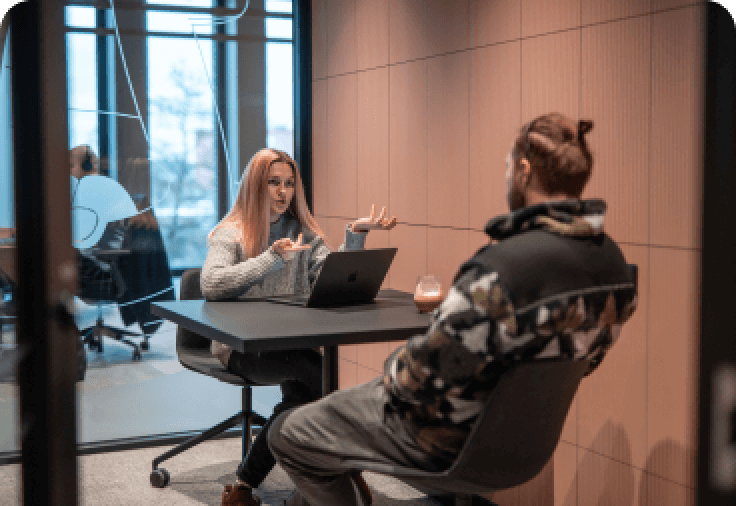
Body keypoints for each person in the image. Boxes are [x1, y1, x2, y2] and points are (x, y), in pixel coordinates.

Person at [262, 113, 639, 506]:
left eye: (508, 167)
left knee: (288, 434)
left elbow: (416, 381)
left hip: (439, 437)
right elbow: (584, 359)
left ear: (524, 171)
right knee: (330, 429)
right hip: (526, 444)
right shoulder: (614, 266)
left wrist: (393, 364)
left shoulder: (503, 269)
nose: (508, 176)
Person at [204, 148, 397, 506]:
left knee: (301, 397)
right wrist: (271, 257)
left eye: (289, 184)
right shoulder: (230, 233)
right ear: (255, 187)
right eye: (273, 183)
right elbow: (212, 283)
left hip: (288, 342)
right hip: (241, 346)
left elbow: (330, 275)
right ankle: (336, 470)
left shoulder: (301, 230)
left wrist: (355, 234)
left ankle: (244, 488)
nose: (283, 192)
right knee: (318, 377)